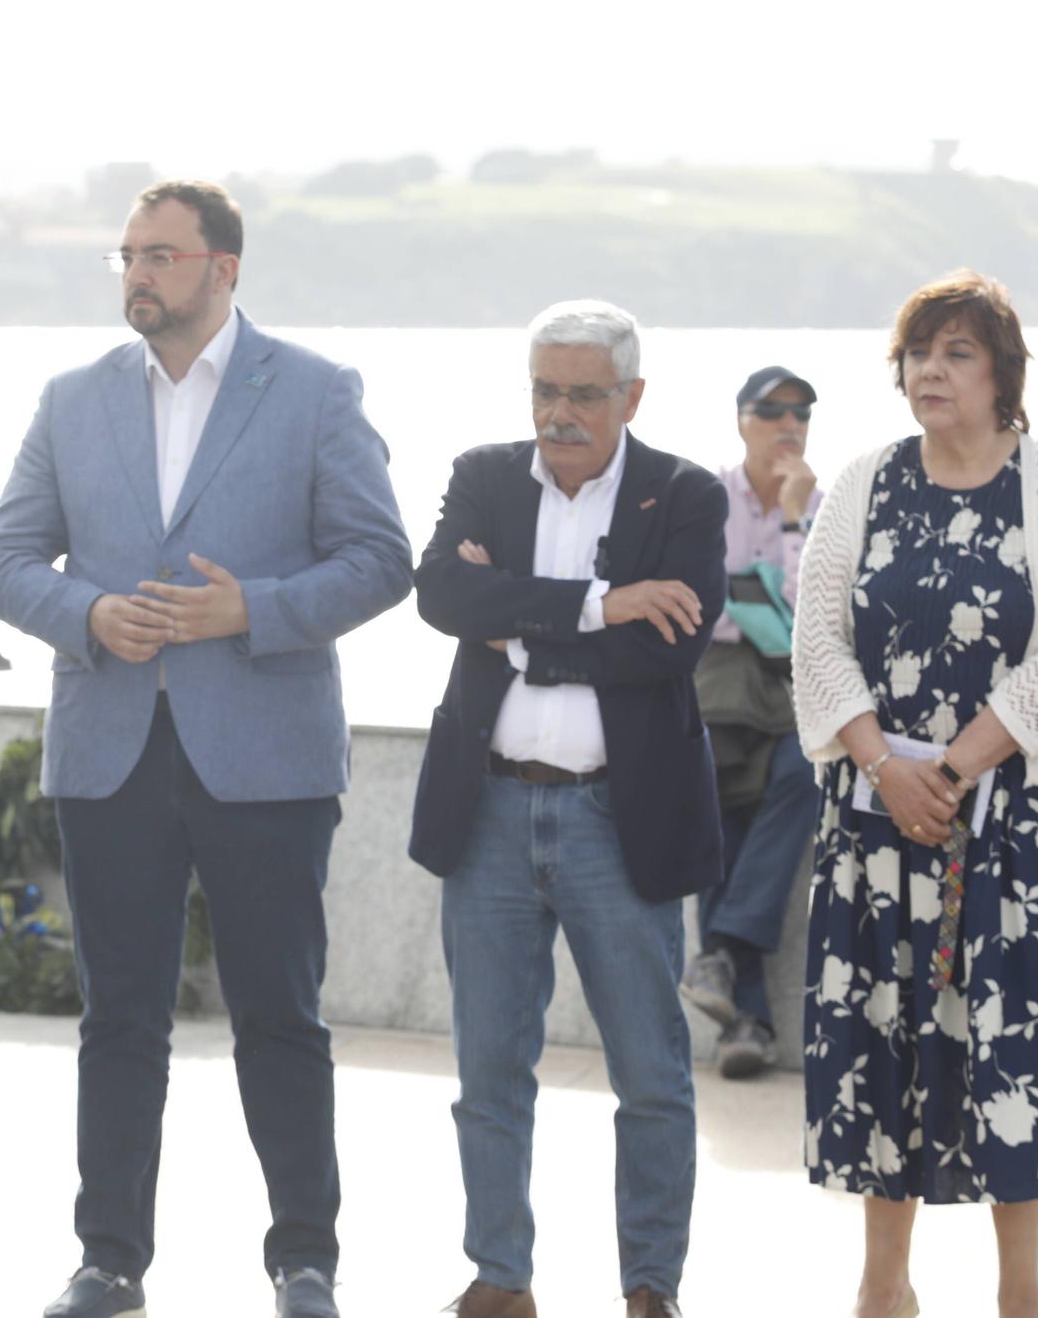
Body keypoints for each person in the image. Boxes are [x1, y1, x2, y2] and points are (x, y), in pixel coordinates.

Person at [0, 179, 412, 1318]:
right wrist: (86, 615)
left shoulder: (314, 391)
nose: (136, 274)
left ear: (223, 267)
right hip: (110, 747)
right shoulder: (72, 398)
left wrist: (250, 610)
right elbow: (3, 557)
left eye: (160, 255)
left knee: (279, 1012)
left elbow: (378, 559)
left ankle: (303, 1261)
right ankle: (107, 1261)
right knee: (118, 1016)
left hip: (264, 752)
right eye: (125, 255)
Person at [791, 270, 1038, 1318]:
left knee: (1018, 1047)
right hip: (879, 819)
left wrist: (951, 767)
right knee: (882, 1045)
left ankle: (1019, 1291)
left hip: (1020, 825)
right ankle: (883, 1285)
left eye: (956, 352)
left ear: (1002, 374)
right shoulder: (862, 482)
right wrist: (885, 766)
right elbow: (815, 637)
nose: (929, 369)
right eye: (918, 351)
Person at [409, 300, 727, 1318]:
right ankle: (499, 1277)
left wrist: (515, 622)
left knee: (649, 1071)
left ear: (630, 396)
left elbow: (667, 646)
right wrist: (596, 604)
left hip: (614, 820)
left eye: (582, 393)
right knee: (487, 1069)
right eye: (544, 390)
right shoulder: (483, 476)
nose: (558, 412)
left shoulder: (681, 494)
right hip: (489, 813)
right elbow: (440, 599)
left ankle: (648, 1285)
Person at [678, 366, 825, 1077]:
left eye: (801, 414)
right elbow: (701, 602)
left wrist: (794, 522)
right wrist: (751, 609)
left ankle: (719, 954)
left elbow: (808, 620)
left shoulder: (823, 506)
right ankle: (749, 1025)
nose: (789, 426)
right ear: (742, 420)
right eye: (772, 412)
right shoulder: (707, 496)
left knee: (805, 775)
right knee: (718, 809)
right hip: (720, 688)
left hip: (793, 691)